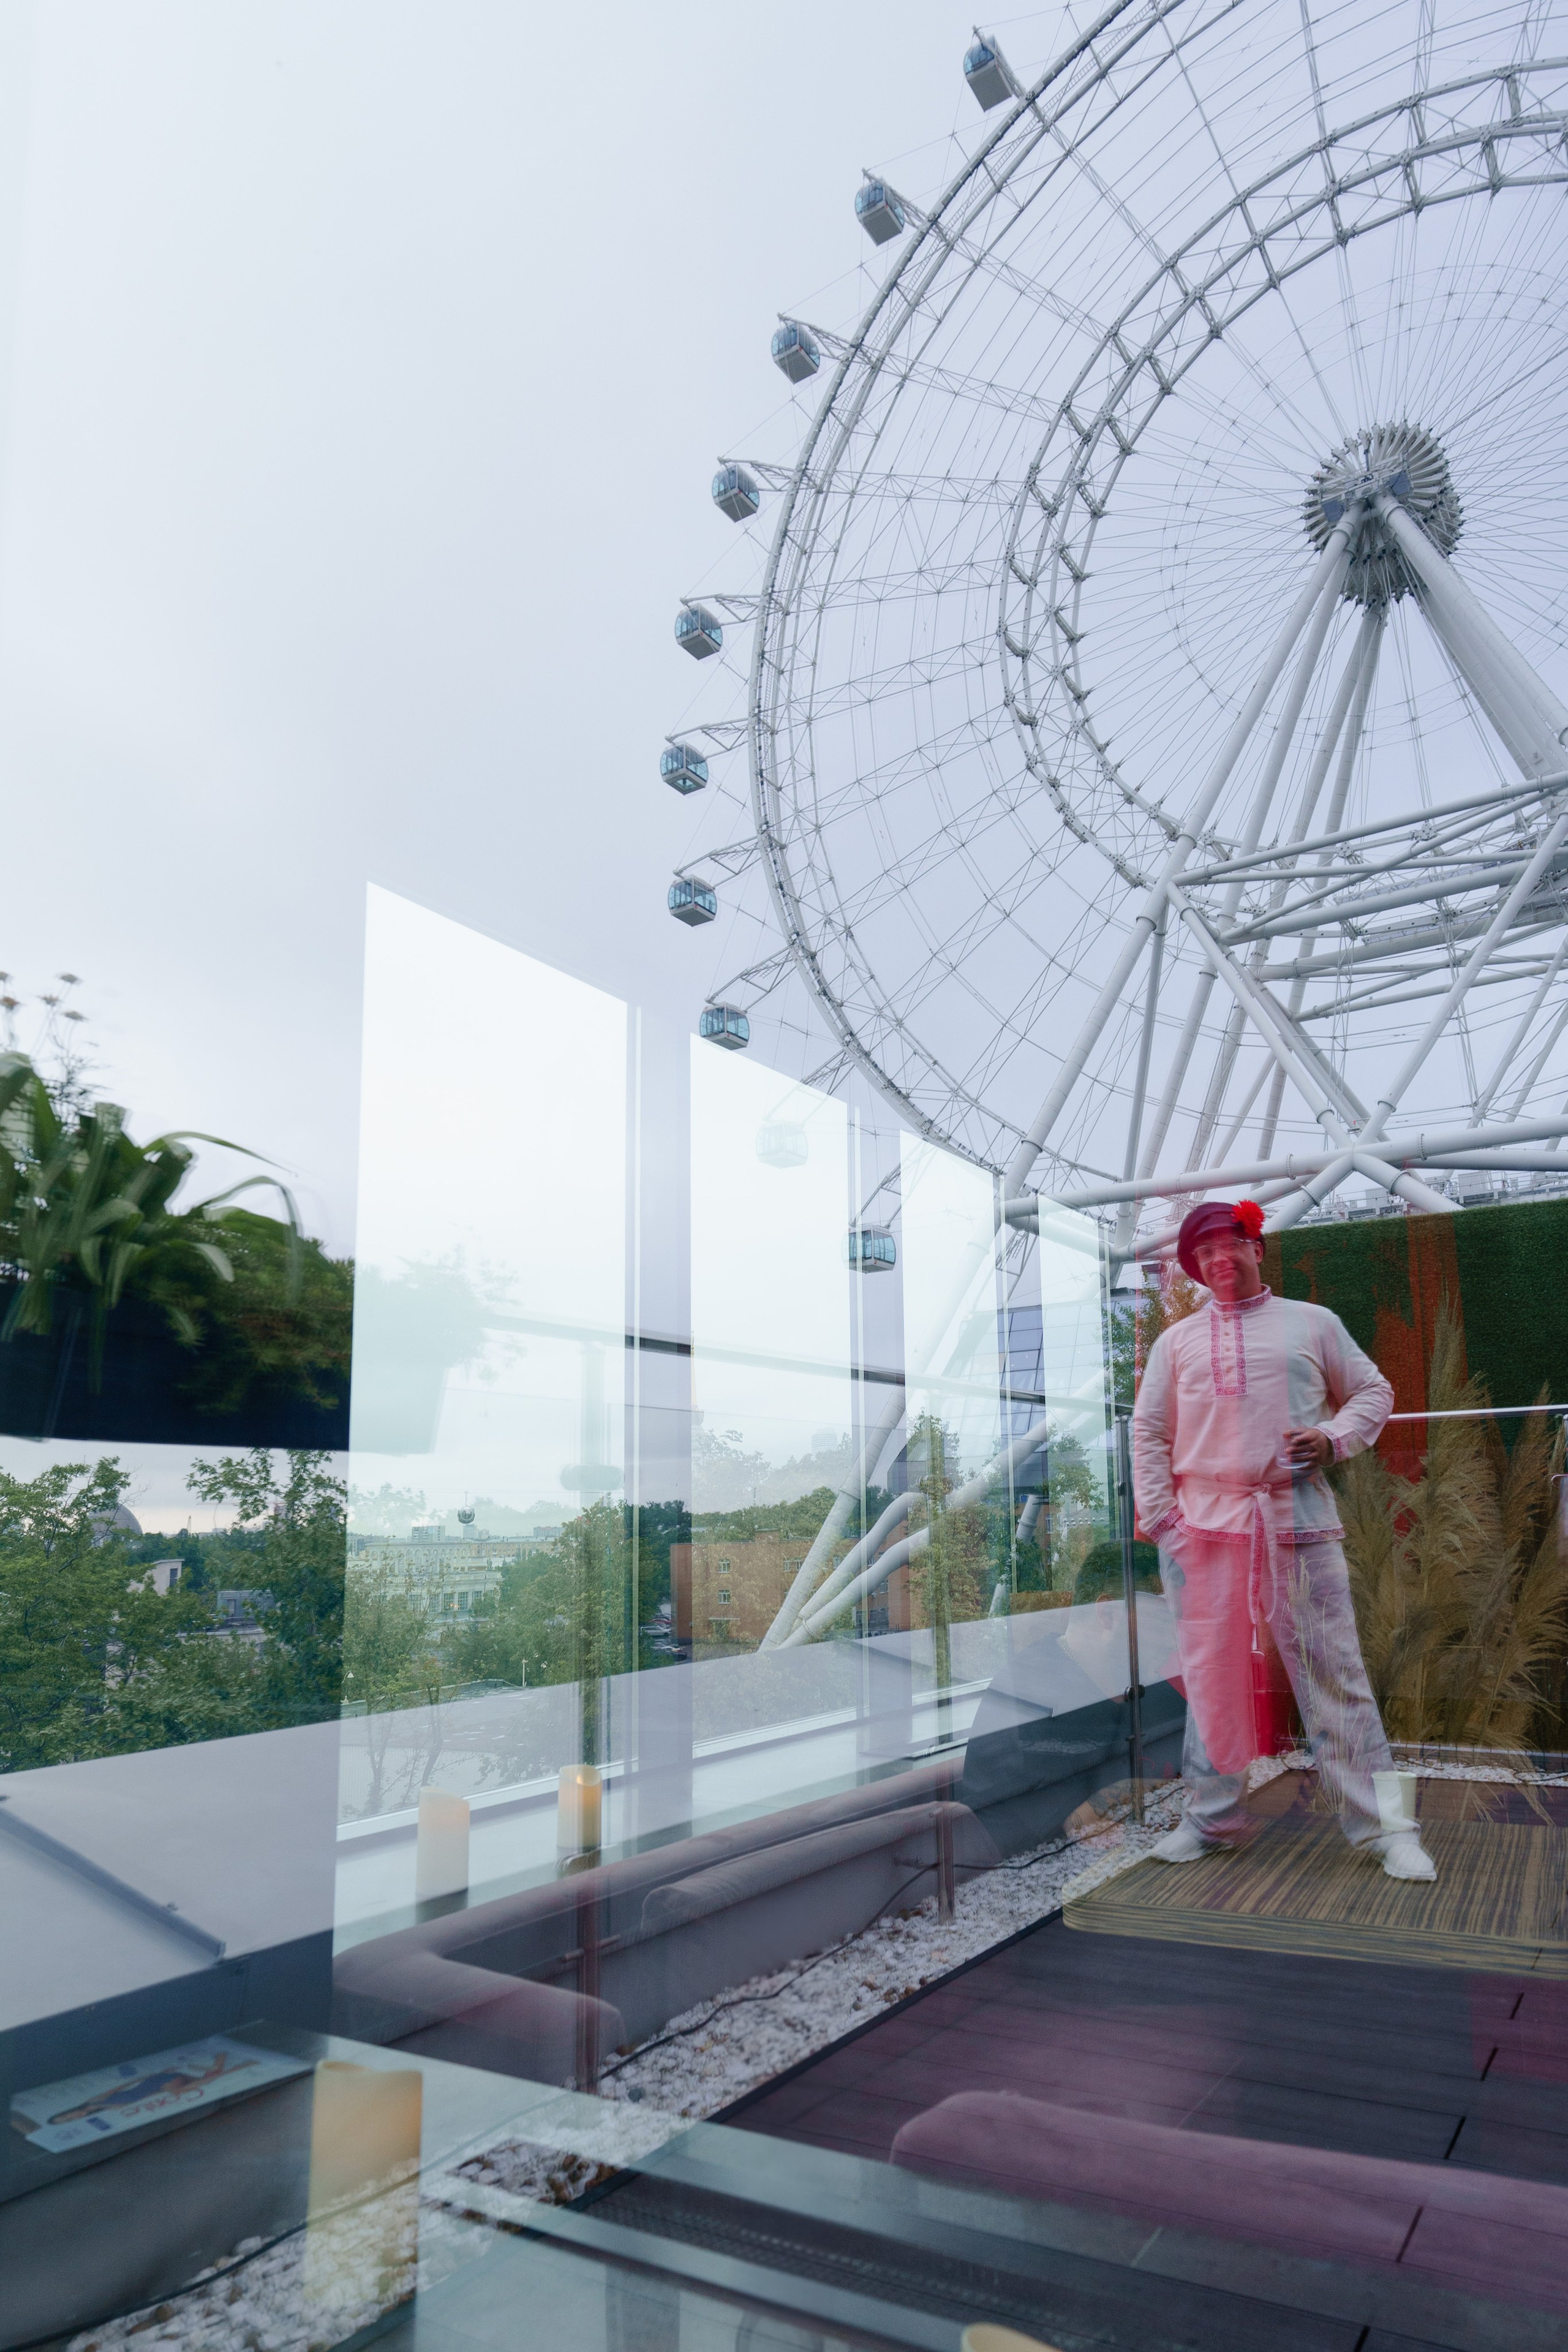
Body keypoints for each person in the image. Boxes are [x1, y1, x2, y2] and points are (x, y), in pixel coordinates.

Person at [1131, 1197, 1435, 1880]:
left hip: (1297, 1523)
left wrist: (1331, 1438)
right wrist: (1165, 1523)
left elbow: (1372, 1392)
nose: (1217, 1260)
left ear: (1256, 1248)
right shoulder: (1174, 1343)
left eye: (1228, 1245)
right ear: (1194, 1267)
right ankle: (1208, 1820)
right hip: (1202, 1534)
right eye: (1202, 1253)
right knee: (1210, 1679)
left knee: (1339, 1678)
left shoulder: (1313, 1322)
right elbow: (1147, 1432)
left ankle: (1389, 1829)